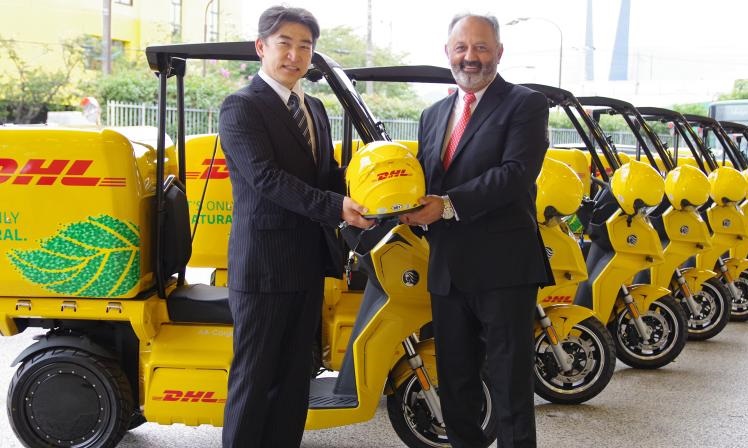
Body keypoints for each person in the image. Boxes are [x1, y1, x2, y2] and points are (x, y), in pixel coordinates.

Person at [218, 6, 372, 447]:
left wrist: (373, 189)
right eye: (285, 43)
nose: (295, 54)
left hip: (307, 263)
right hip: (263, 268)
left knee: (293, 381)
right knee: (254, 380)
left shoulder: (316, 108)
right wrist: (336, 205)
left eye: (305, 46)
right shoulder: (241, 107)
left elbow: (325, 174)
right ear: (262, 47)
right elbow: (265, 177)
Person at [401, 13, 553, 448]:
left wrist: (446, 206)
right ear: (447, 53)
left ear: (499, 53)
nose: (471, 57)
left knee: (509, 387)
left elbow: (515, 174)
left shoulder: (525, 104)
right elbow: (423, 180)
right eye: (462, 48)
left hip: (504, 270)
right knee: (456, 382)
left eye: (481, 48)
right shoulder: (432, 115)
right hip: (448, 269)